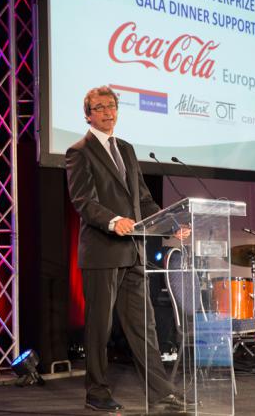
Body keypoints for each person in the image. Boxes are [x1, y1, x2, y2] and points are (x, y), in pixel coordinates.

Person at [65, 86, 187, 412]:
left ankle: (162, 394)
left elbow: (143, 200)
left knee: (143, 327)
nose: (108, 112)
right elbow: (83, 201)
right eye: (100, 107)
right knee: (99, 329)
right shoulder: (79, 151)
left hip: (132, 250)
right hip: (102, 251)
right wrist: (113, 219)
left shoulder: (127, 150)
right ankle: (97, 393)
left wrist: (172, 224)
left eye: (112, 106)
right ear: (88, 114)